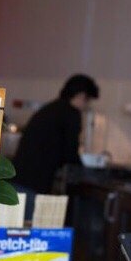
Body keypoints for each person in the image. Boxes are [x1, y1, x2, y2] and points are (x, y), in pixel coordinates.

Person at [12, 74, 99, 203]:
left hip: (18, 177)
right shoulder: (71, 114)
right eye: (88, 100)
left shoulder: (51, 108)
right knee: (30, 220)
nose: (86, 106)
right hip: (35, 181)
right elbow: (70, 153)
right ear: (81, 95)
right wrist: (87, 174)